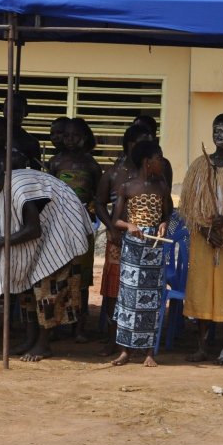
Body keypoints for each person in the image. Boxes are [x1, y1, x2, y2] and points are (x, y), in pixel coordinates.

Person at [0, 151, 92, 362]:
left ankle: (43, 345)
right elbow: (3, 229)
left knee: (47, 288)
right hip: (41, 235)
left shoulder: (18, 189)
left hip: (60, 230)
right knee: (26, 288)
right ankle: (30, 339)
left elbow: (33, 230)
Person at [178, 113, 223, 365]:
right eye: (216, 131)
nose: (220, 136)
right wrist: (204, 230)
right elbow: (188, 206)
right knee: (202, 288)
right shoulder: (200, 165)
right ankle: (201, 347)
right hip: (203, 237)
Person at [94, 125, 155, 355]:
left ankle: (140, 341)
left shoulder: (156, 173)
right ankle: (113, 339)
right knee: (114, 290)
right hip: (119, 238)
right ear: (129, 144)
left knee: (145, 289)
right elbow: (99, 202)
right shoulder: (113, 173)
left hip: (146, 241)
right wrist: (111, 229)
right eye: (142, 142)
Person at [110, 141, 172, 367]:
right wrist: (129, 226)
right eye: (159, 158)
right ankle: (125, 351)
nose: (163, 162)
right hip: (133, 250)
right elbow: (115, 220)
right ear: (148, 162)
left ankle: (148, 352)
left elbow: (167, 215)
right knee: (129, 300)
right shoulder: (127, 187)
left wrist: (164, 224)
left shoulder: (162, 187)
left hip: (154, 251)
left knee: (152, 300)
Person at [47, 118, 103, 337]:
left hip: (82, 226)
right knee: (57, 274)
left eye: (76, 136)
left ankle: (79, 327)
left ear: (85, 138)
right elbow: (48, 193)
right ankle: (54, 324)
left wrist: (89, 208)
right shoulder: (55, 162)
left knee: (81, 277)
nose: (70, 140)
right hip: (58, 226)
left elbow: (99, 197)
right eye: (67, 136)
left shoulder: (91, 165)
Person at [1, 92, 42, 169]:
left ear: (26, 113)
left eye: (17, 111)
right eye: (8, 109)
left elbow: (36, 172)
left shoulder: (31, 143)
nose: (11, 114)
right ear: (3, 110)